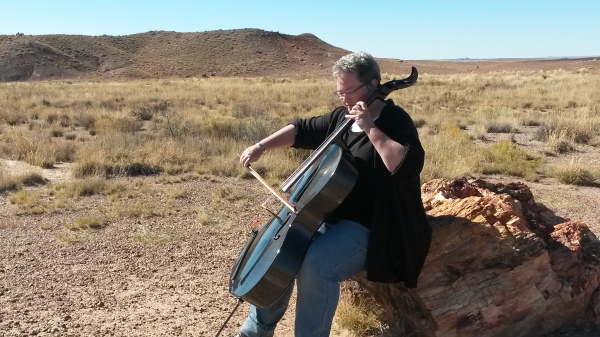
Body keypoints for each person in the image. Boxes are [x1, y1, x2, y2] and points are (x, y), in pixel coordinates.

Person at [235, 51, 431, 337]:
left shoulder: (395, 120)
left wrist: (370, 128)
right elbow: (302, 129)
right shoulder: (341, 117)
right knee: (283, 251)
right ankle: (256, 331)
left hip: (375, 226)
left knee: (316, 264)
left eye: (350, 91)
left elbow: (406, 166)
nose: (345, 99)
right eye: (341, 92)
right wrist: (261, 146)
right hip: (327, 218)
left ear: (374, 84)